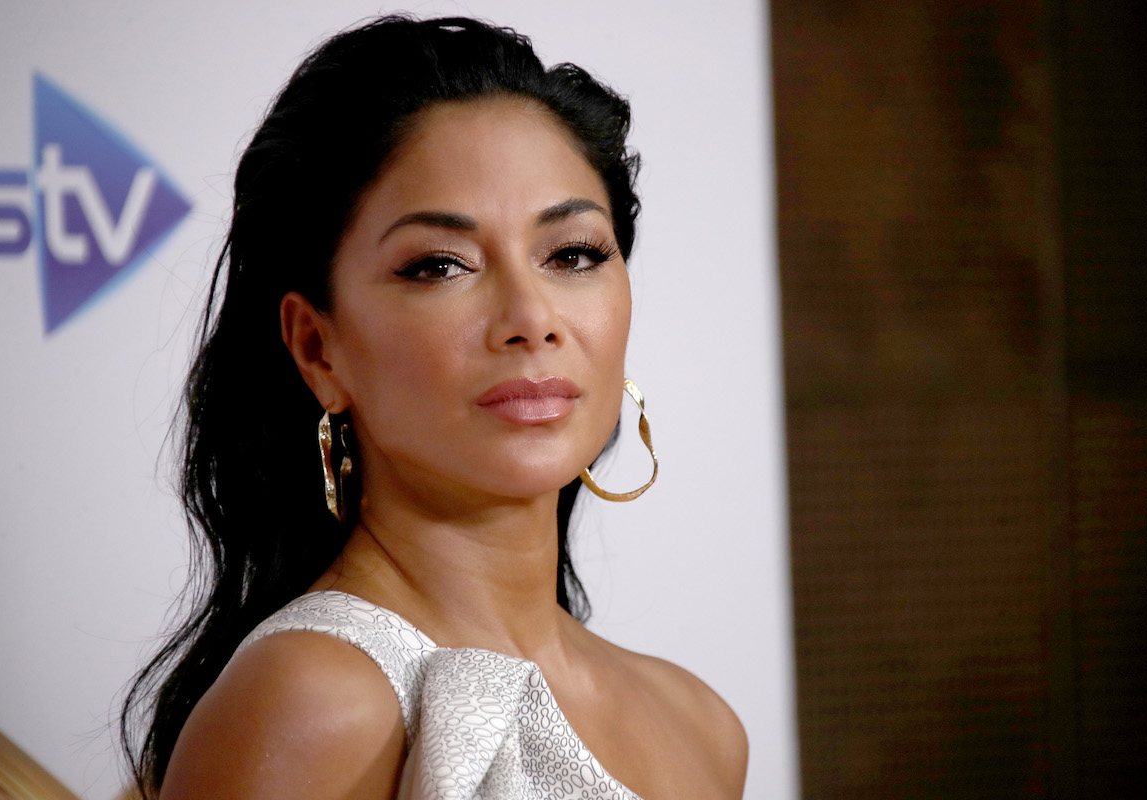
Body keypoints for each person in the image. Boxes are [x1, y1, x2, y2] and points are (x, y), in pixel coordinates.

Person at [121, 14, 748, 799]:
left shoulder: (701, 727)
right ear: (318, 349)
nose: (532, 318)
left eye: (573, 254)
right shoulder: (307, 704)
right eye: (440, 266)